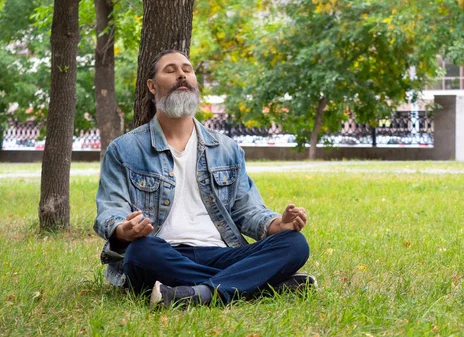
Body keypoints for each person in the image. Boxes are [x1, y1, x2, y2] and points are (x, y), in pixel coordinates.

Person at [94, 49, 315, 308]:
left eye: (187, 69)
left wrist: (277, 224)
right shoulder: (124, 150)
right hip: (163, 253)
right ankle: (260, 287)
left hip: (222, 253)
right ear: (152, 87)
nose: (181, 75)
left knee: (295, 244)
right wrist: (124, 230)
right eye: (171, 70)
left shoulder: (227, 148)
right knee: (141, 252)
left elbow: (247, 210)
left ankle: (199, 293)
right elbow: (109, 213)